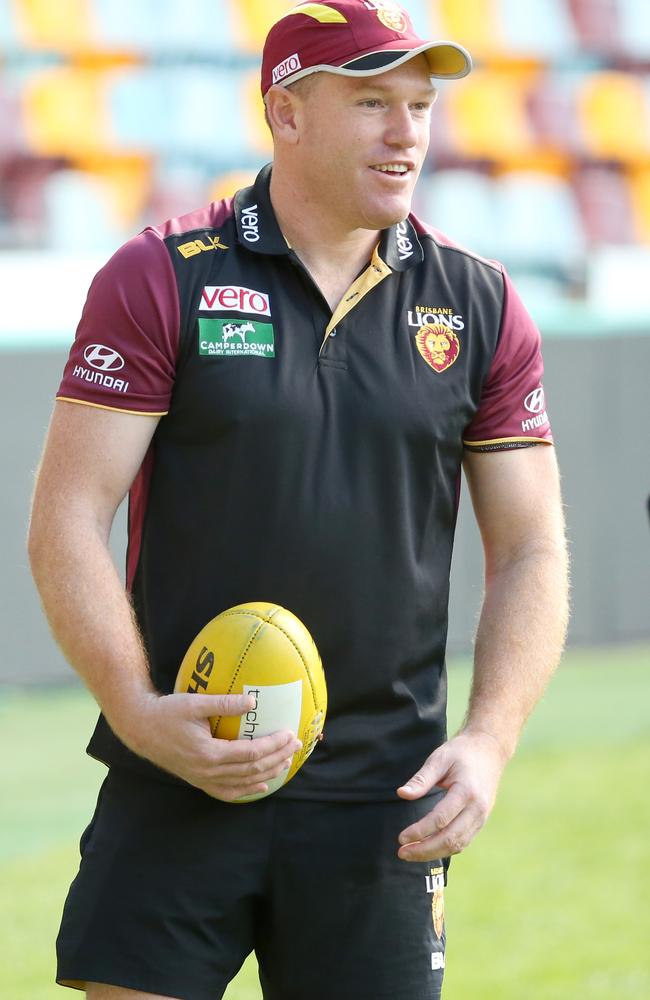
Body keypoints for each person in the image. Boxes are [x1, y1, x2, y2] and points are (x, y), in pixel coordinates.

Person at [28, 2, 569, 998]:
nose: (406, 131)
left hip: (384, 800)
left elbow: (531, 546)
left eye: (419, 104)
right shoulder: (160, 277)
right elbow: (65, 514)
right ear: (285, 111)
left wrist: (487, 741)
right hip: (179, 767)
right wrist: (138, 711)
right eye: (371, 102)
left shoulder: (480, 302)